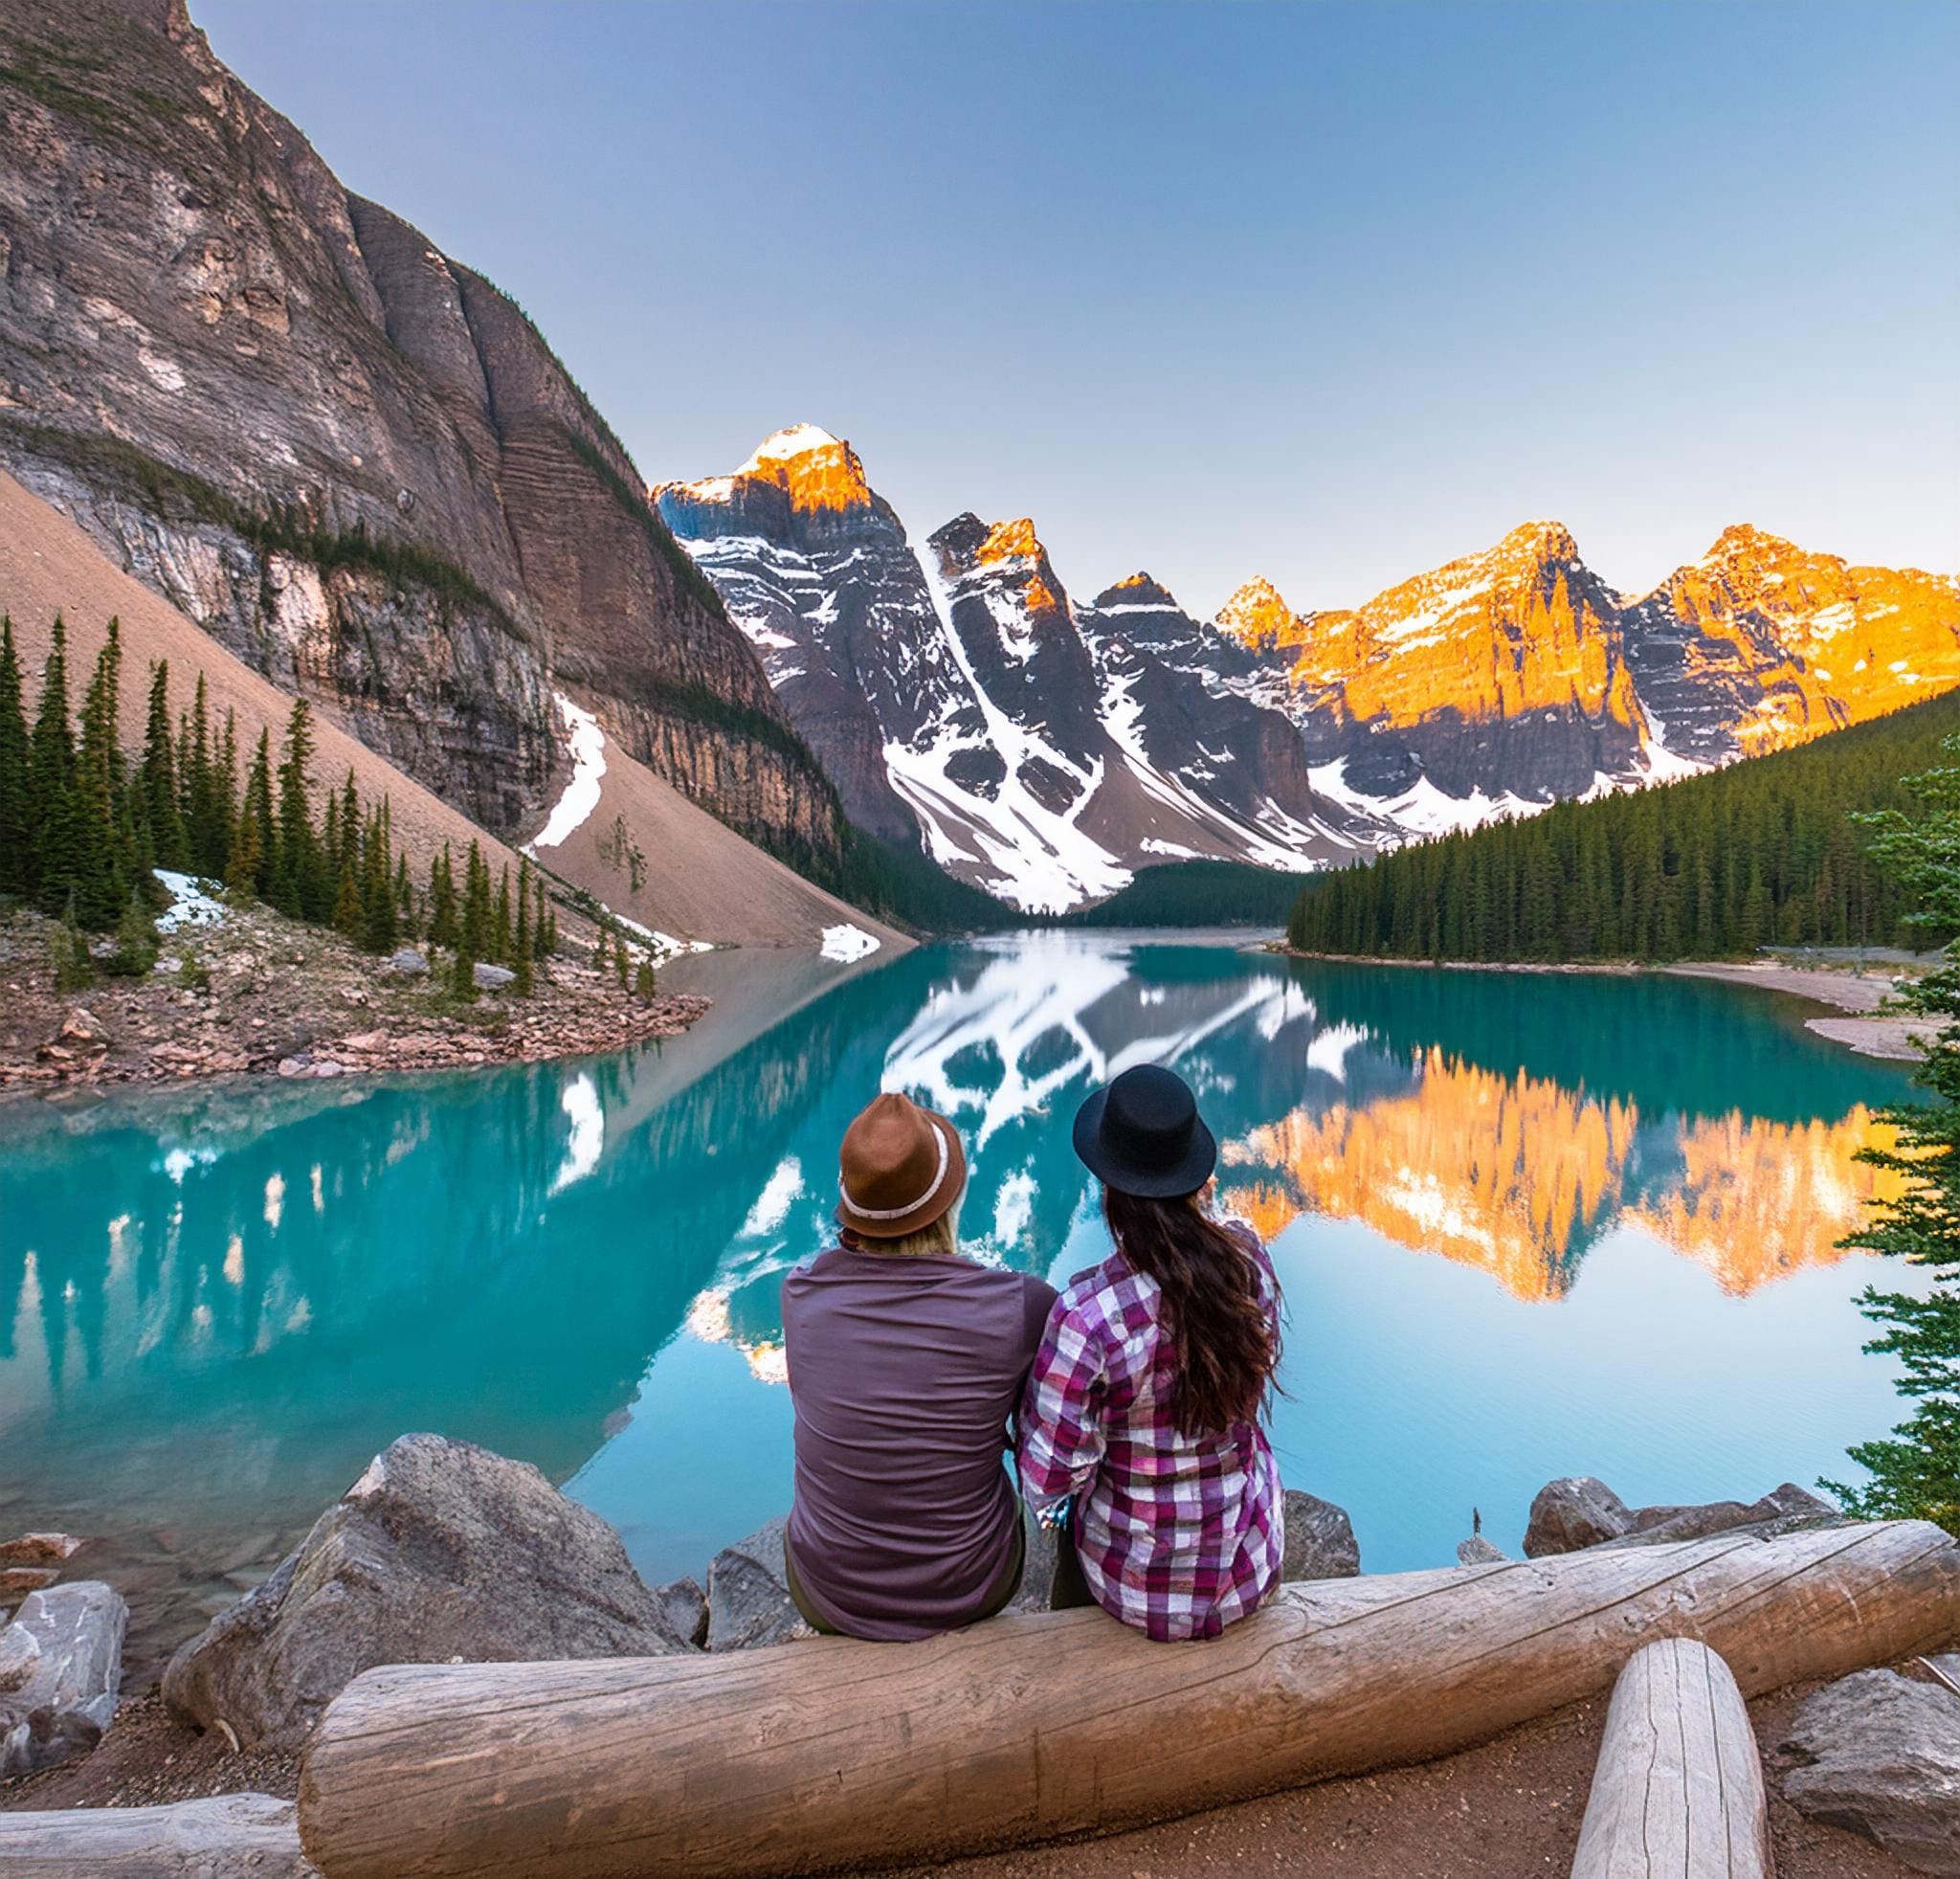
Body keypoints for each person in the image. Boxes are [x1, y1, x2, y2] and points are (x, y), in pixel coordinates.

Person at [1019, 1063, 1284, 1641]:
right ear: (1194, 1176)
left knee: (1063, 1518)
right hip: (1245, 1573)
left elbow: (1049, 1478)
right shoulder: (1248, 1262)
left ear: (1110, 1189)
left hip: (1136, 1591)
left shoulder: (1086, 1317)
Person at [781, 1090, 1057, 1640]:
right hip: (970, 1589)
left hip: (826, 1594)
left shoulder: (801, 1294)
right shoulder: (1021, 1306)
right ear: (951, 1202)